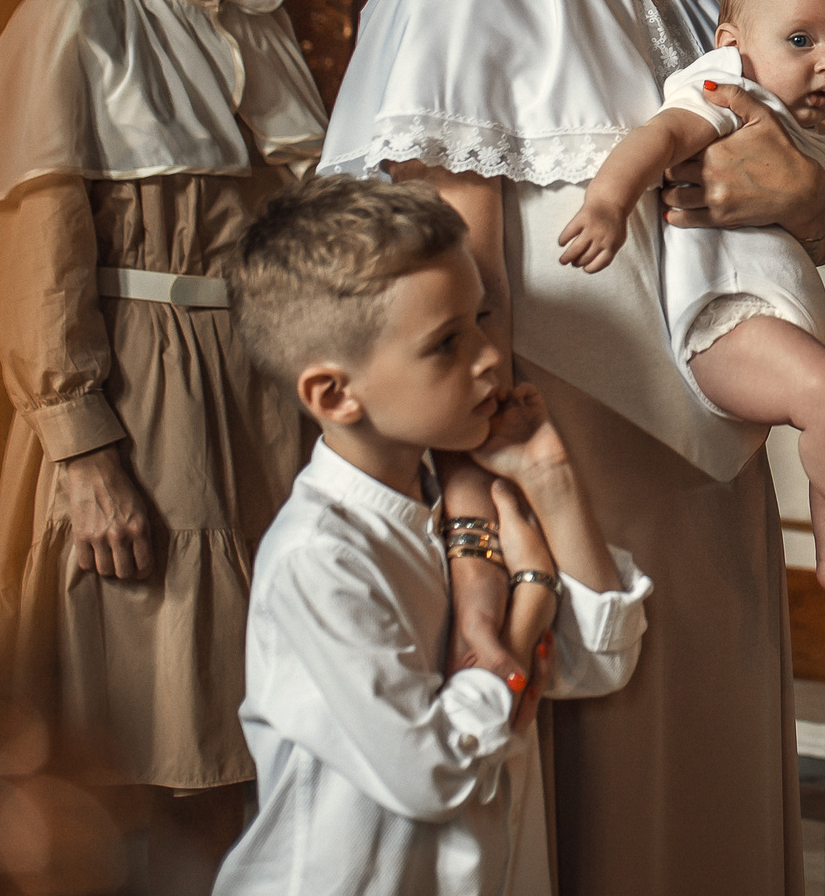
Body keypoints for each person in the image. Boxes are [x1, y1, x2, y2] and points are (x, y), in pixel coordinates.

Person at [321, 0, 825, 892]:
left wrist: (805, 201)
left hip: (707, 466)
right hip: (560, 457)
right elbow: (447, 266)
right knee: (599, 783)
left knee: (708, 774)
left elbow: (795, 195)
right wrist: (475, 504)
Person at [0, 0, 328, 884]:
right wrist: (84, 450)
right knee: (138, 710)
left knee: (246, 724)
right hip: (142, 401)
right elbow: (40, 260)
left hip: (258, 393)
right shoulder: (76, 22)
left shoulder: (257, 35)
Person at [214, 172, 652, 896]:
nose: (488, 355)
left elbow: (598, 661)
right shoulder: (317, 559)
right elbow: (434, 771)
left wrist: (551, 478)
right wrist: (531, 595)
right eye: (447, 342)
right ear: (333, 393)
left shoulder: (468, 506)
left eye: (481, 319)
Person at [558, 0, 825, 595]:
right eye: (802, 39)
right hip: (725, 320)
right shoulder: (723, 93)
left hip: (777, 320)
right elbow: (659, 138)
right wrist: (608, 203)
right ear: (732, 43)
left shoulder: (813, 132)